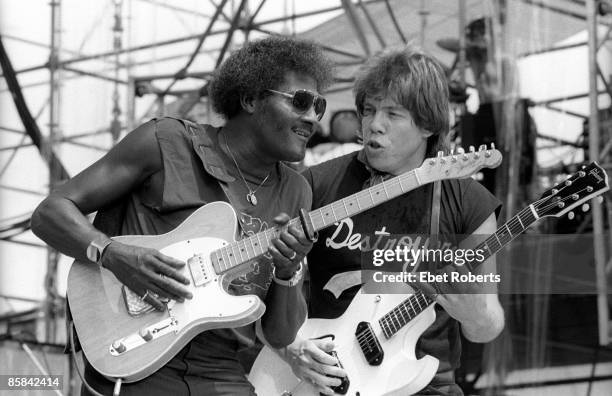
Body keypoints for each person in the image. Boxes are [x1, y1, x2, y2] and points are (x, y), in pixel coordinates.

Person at [31, 36, 333, 395]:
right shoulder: (167, 142)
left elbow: (282, 334)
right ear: (250, 99)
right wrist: (110, 254)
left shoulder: (297, 191)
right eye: (300, 101)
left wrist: (287, 272)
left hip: (222, 372)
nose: (312, 117)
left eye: (320, 106)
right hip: (136, 363)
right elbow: (50, 212)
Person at [275, 45, 505, 395]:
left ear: (427, 124)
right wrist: (291, 349)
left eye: (393, 114)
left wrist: (474, 313)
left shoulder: (467, 201)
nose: (374, 125)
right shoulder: (316, 184)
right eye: (369, 110)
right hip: (325, 379)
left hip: (425, 383)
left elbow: (487, 324)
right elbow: (266, 294)